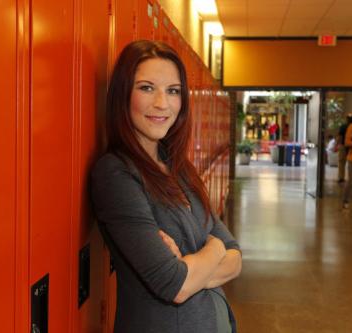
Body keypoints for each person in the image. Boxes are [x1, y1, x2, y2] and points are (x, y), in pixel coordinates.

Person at [90, 40, 242, 333]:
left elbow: (236, 259)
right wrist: (215, 246)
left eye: (173, 91)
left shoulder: (177, 167)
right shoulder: (116, 174)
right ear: (123, 95)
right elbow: (176, 284)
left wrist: (194, 265)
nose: (162, 103)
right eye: (147, 88)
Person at [337, 113, 352, 183]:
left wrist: (336, 144)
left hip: (343, 146)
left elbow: (340, 137)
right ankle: (351, 178)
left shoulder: (343, 126)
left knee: (341, 162)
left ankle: (341, 177)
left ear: (347, 119)